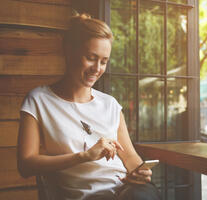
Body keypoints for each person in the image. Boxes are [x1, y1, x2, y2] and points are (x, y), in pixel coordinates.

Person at [17, 13, 160, 200]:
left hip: (126, 192)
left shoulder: (110, 104)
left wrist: (141, 172)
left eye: (104, 61)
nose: (97, 68)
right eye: (91, 58)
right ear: (69, 51)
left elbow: (130, 157)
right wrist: (85, 156)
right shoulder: (39, 101)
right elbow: (26, 165)